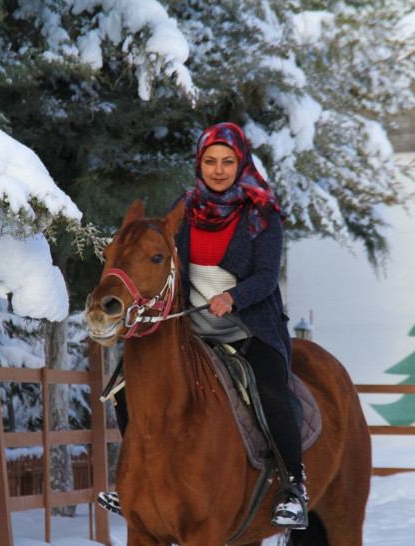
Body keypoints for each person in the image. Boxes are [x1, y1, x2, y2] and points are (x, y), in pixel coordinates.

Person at [98, 122, 307, 529]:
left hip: (248, 327)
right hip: (190, 327)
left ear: (241, 162)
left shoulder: (262, 213)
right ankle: (136, 483)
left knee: (271, 391)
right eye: (210, 161)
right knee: (125, 389)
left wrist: (233, 297)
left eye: (227, 161)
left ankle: (293, 486)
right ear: (199, 164)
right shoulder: (186, 207)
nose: (218, 170)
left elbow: (267, 276)